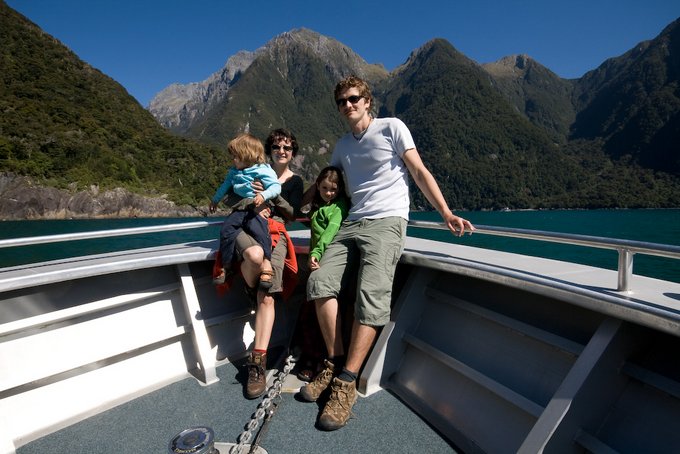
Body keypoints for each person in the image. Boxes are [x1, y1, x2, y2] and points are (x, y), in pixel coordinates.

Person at [300, 75, 475, 430]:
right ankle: (333, 362)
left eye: (353, 99)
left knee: (371, 292)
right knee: (319, 280)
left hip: (388, 222)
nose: (347, 106)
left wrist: (445, 213)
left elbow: (418, 170)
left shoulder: (392, 127)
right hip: (351, 224)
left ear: (367, 100)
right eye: (341, 102)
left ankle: (347, 383)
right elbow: (326, 187)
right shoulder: (341, 146)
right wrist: (290, 207)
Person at [216, 128, 304, 399]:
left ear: (292, 153)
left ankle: (258, 362)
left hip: (274, 231)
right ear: (269, 149)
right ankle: (249, 285)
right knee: (255, 259)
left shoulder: (294, 181)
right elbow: (228, 197)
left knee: (266, 296)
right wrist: (246, 197)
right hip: (243, 225)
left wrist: (268, 196)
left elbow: (292, 213)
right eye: (277, 146)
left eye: (287, 148)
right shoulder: (249, 168)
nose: (282, 151)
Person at [210, 133, 281, 290]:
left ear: (248, 155)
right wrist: (215, 199)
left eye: (236, 156)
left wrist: (263, 195)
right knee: (226, 230)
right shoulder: (234, 171)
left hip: (255, 210)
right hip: (240, 210)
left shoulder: (263, 170)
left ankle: (267, 263)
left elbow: (276, 187)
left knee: (261, 232)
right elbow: (225, 186)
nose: (233, 160)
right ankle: (227, 266)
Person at [307, 166, 349, 271]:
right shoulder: (320, 206)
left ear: (339, 189)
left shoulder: (338, 207)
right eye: (324, 188)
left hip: (328, 254)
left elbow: (330, 231)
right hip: (317, 254)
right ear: (318, 185)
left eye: (333, 189)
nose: (328, 193)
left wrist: (316, 253)